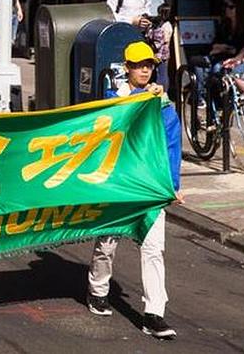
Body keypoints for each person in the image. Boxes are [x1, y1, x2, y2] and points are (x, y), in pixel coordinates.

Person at [87, 41, 180, 341]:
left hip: (150, 188)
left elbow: (171, 146)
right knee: (108, 242)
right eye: (138, 64)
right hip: (120, 185)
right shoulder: (116, 99)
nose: (144, 69)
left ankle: (154, 314)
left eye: (149, 64)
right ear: (127, 67)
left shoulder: (162, 105)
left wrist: (172, 185)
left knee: (154, 249)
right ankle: (98, 290)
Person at [146, 3, 174, 90]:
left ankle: (163, 92)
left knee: (162, 73)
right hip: (159, 52)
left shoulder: (166, 25)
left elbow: (164, 40)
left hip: (161, 53)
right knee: (159, 73)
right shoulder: (161, 24)